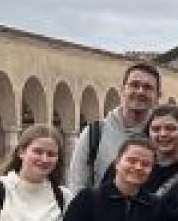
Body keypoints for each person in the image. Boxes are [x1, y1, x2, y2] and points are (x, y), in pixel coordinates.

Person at [66, 61, 163, 190]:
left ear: (158, 95)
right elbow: (76, 185)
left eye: (147, 87)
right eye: (134, 85)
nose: (140, 91)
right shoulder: (95, 133)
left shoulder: (162, 137)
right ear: (122, 89)